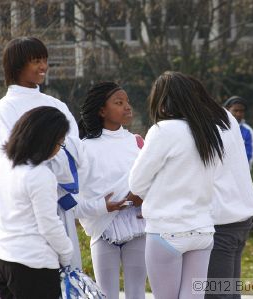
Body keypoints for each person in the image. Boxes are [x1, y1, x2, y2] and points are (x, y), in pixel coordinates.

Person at [129, 71, 228, 299]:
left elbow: (136, 182)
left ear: (163, 104)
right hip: (202, 229)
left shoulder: (163, 131)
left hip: (167, 229)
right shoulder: (210, 131)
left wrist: (153, 192)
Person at [0, 37, 83, 269]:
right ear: (17, 65)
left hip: (59, 201)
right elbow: (13, 154)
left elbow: (76, 149)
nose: (43, 66)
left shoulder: (56, 104)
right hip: (27, 205)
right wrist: (52, 154)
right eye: (36, 61)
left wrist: (49, 154)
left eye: (45, 60)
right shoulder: (7, 106)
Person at [0, 106, 73, 299]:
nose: (58, 149)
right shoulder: (40, 175)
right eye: (60, 143)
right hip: (34, 263)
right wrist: (67, 253)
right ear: (46, 140)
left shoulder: (1, 164)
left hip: (2, 257)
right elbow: (49, 225)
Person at [76, 82, 147, 299]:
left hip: (137, 226)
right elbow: (75, 199)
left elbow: (152, 181)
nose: (127, 107)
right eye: (119, 102)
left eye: (127, 102)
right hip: (103, 230)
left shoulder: (137, 143)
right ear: (101, 110)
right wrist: (102, 206)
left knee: (137, 293)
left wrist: (143, 196)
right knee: (106, 295)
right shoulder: (84, 147)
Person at [191, 83, 253, 299]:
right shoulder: (227, 121)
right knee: (229, 291)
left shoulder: (206, 126)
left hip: (223, 220)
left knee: (217, 293)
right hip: (240, 216)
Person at [223, 96, 253, 168]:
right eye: (235, 110)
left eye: (241, 111)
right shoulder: (220, 128)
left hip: (241, 172)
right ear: (227, 110)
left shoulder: (248, 131)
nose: (238, 114)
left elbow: (250, 154)